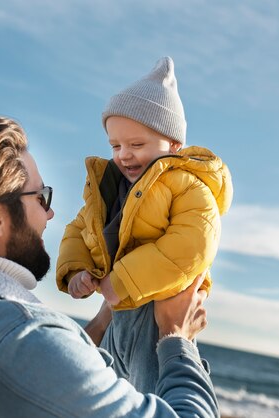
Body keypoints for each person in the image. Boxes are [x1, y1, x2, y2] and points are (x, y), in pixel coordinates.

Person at [0, 110, 219, 417]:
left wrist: (101, 324)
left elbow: (49, 385)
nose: (50, 213)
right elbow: (38, 362)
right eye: (41, 198)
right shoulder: (25, 342)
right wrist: (178, 340)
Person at [56, 57, 233, 392]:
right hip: (116, 314)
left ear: (174, 145)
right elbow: (80, 229)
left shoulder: (188, 185)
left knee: (156, 399)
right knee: (103, 399)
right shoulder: (112, 189)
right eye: (116, 145)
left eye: (137, 145)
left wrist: (121, 281)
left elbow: (190, 248)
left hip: (157, 316)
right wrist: (77, 270)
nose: (124, 155)